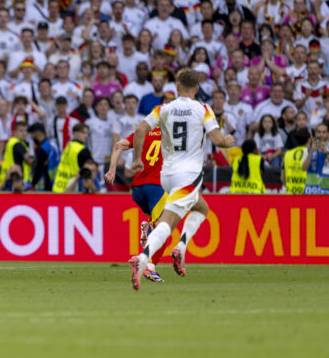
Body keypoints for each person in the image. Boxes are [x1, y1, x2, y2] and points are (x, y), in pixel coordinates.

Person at [129, 69, 235, 291]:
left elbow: (140, 130)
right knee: (167, 223)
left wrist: (138, 159)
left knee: (201, 207)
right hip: (188, 175)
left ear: (177, 87)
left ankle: (181, 247)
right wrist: (228, 140)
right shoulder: (203, 109)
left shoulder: (163, 108)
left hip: (166, 175)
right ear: (197, 89)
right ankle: (142, 260)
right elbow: (218, 140)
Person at [106, 124, 167, 283]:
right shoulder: (173, 134)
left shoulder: (142, 133)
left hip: (138, 188)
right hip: (156, 187)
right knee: (164, 229)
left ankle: (148, 227)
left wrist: (112, 170)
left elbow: (118, 145)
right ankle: (150, 266)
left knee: (155, 222)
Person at [52, 123, 93, 193]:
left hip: (58, 185)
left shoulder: (68, 146)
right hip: (73, 187)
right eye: (83, 132)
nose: (86, 136)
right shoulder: (82, 150)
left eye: (87, 133)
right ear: (74, 133)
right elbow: (88, 171)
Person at [0, 121, 34, 190]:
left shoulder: (11, 142)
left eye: (26, 131)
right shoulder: (17, 143)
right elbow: (30, 159)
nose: (24, 133)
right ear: (14, 132)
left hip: (5, 178)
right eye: (21, 131)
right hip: (13, 180)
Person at [302, 123, 329, 194]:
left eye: (324, 132)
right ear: (315, 133)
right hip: (311, 188)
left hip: (326, 188)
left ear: (328, 133)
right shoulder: (308, 150)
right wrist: (311, 152)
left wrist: (326, 153)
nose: (321, 134)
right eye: (319, 132)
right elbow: (304, 168)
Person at [282, 128, 309, 194]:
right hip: (305, 192)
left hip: (290, 192)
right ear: (309, 140)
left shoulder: (287, 154)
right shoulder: (310, 153)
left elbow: (282, 178)